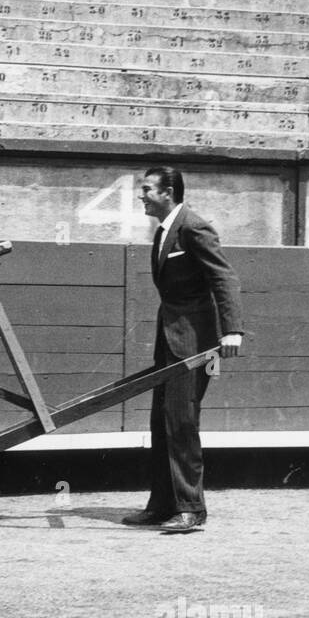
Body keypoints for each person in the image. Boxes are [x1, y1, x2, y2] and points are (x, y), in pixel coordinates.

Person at [121, 166, 243, 533]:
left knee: (182, 422)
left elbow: (224, 277)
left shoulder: (194, 226)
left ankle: (191, 509)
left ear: (168, 191)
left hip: (194, 343)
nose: (141, 196)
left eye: (146, 190)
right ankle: (162, 505)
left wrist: (232, 330)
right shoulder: (163, 230)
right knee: (162, 421)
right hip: (171, 339)